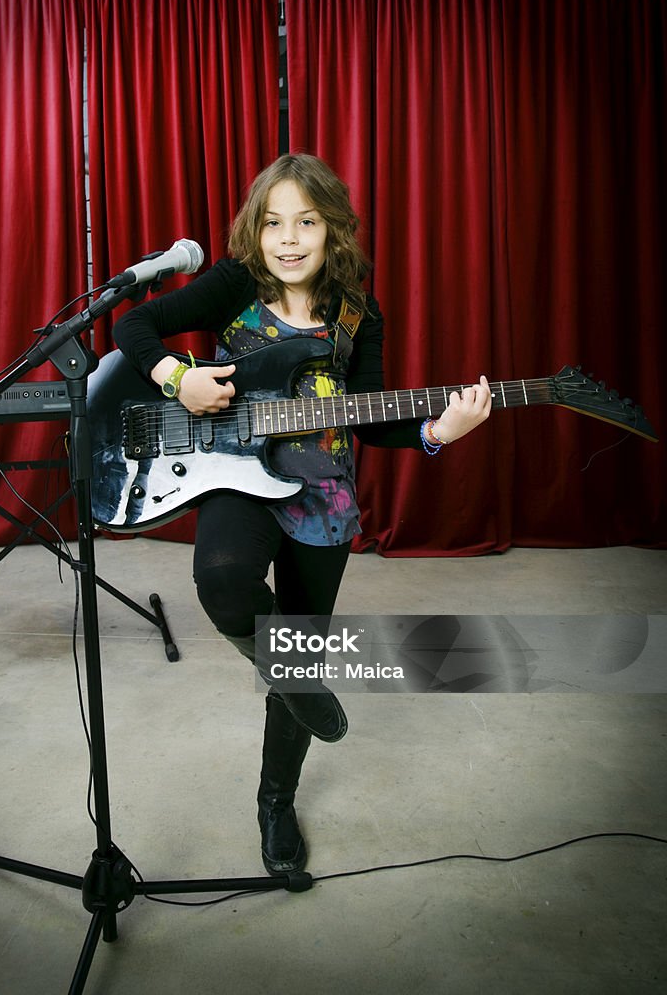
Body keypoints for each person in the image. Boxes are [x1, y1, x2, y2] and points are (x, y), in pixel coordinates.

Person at [112, 153, 492, 877]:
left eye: (307, 223)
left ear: (333, 231)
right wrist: (180, 376)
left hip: (325, 496)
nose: (289, 239)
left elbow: (372, 417)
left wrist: (438, 432)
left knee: (301, 644)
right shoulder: (233, 285)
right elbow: (136, 327)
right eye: (274, 223)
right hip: (238, 473)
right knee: (223, 580)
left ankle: (275, 802)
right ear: (255, 231)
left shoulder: (357, 310)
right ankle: (297, 681)